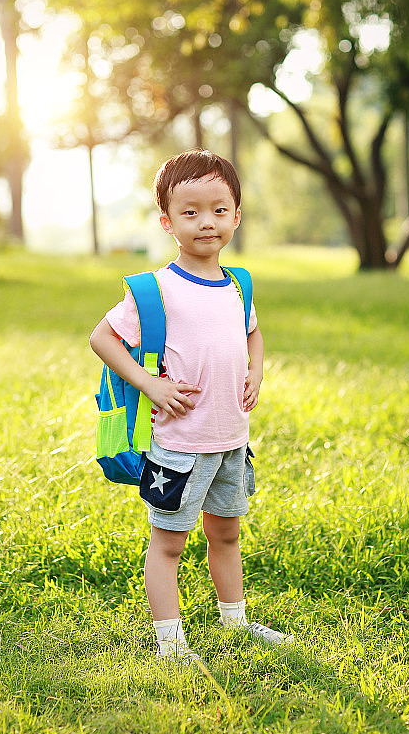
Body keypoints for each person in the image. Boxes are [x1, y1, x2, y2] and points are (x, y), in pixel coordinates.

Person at [90, 149, 292, 663]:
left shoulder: (237, 285)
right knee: (170, 544)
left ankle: (236, 621)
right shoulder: (157, 288)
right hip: (180, 445)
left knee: (225, 533)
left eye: (220, 210)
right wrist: (149, 385)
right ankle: (170, 642)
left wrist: (256, 369)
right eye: (191, 211)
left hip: (231, 440)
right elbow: (103, 338)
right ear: (167, 222)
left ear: (236, 217)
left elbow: (253, 334)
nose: (207, 222)